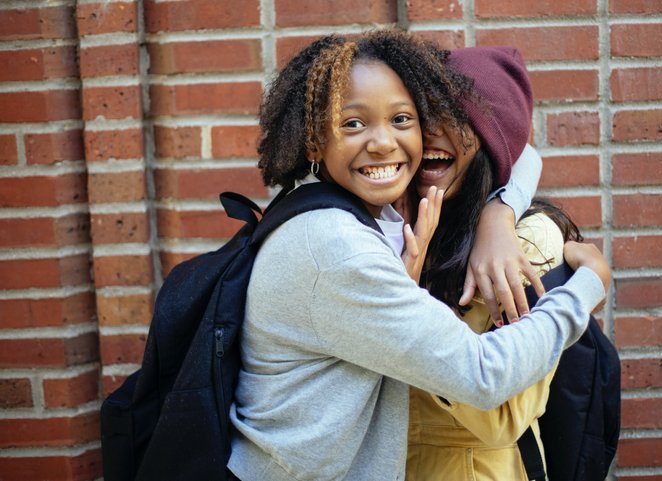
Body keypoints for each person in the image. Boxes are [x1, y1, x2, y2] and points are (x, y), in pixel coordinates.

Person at [228, 30, 610, 481]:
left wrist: (500, 211)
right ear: (314, 140)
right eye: (354, 123)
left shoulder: (514, 241)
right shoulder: (352, 239)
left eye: (402, 118)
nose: (397, 139)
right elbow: (480, 373)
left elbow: (518, 144)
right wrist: (589, 286)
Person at [403, 46, 571, 481]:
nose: (429, 133)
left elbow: (500, 415)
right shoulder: (393, 221)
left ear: (490, 137)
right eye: (417, 116)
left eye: (455, 118)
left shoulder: (527, 243)